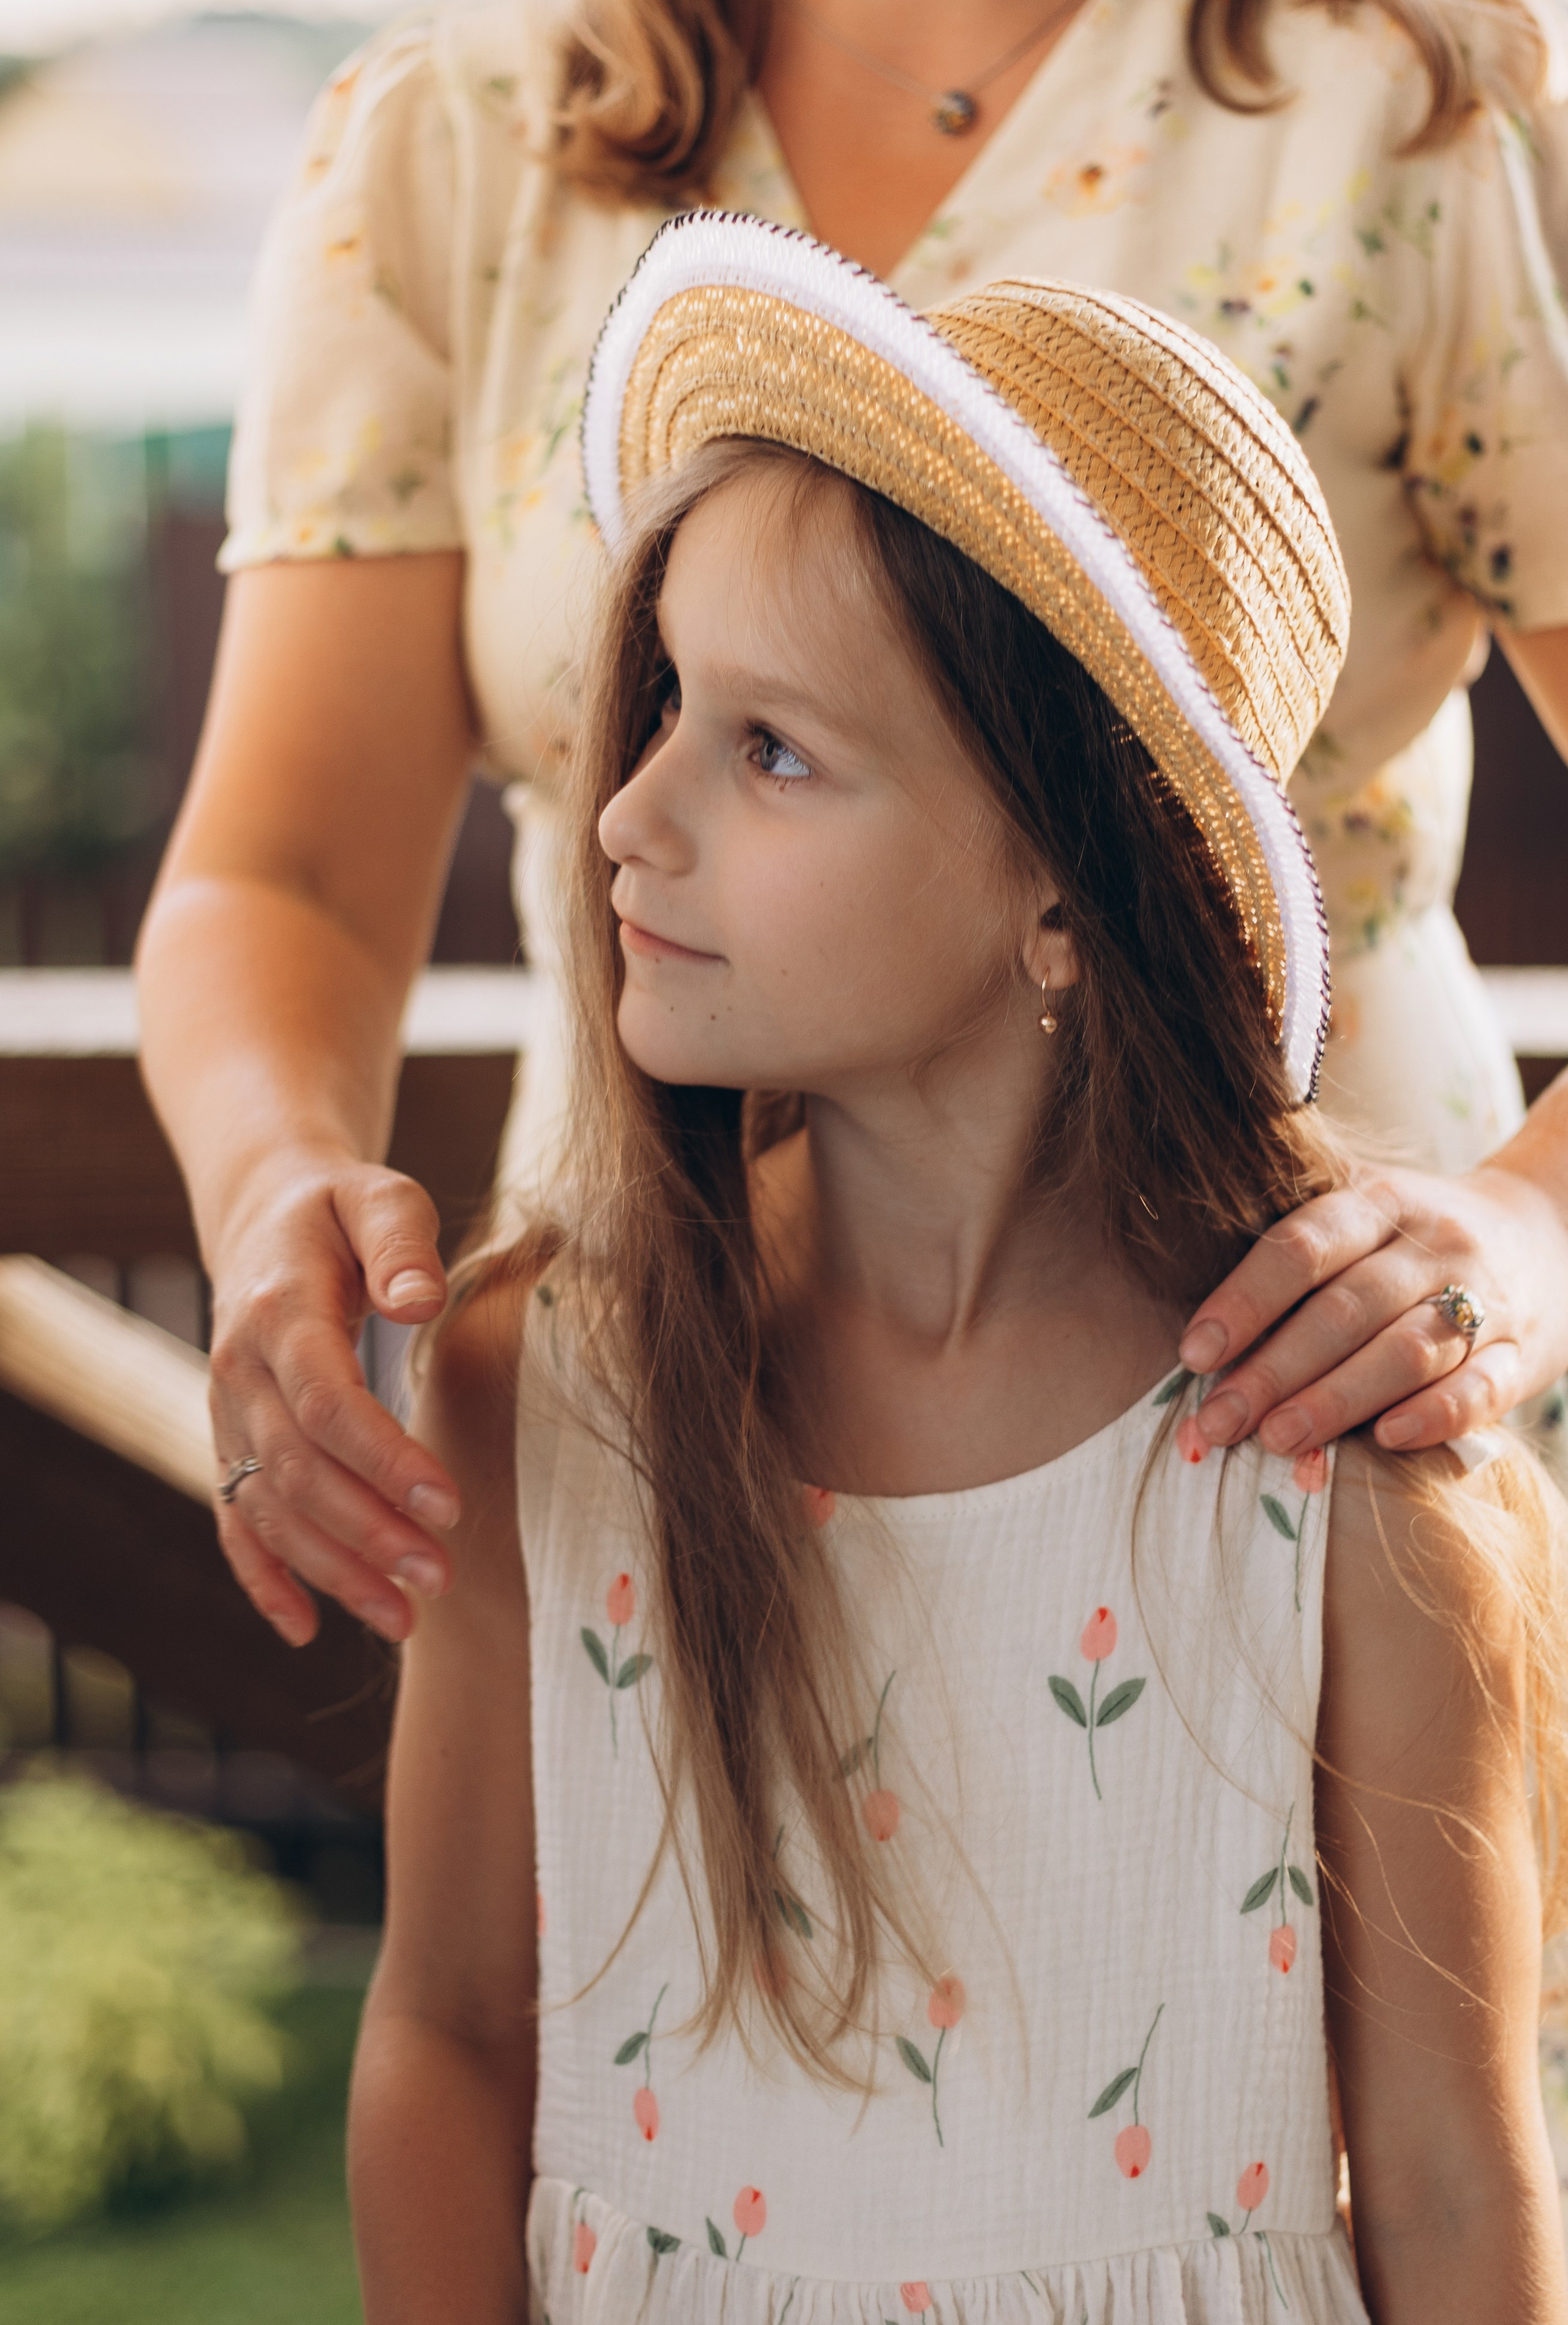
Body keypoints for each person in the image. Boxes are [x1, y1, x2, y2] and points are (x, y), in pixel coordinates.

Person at [347, 222, 1568, 2325]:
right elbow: (448, 2033)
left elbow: (1461, 2192)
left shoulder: (1343, 1488)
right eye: (665, 717)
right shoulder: (530, 1384)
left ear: (1066, 895)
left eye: (772, 751)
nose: (628, 817)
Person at [137, 0, 1568, 1654]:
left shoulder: (1420, 99)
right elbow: (286, 873)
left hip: (1313, 1382)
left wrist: (1533, 1223)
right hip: (664, 1384)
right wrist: (268, 1189)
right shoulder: (451, 126)